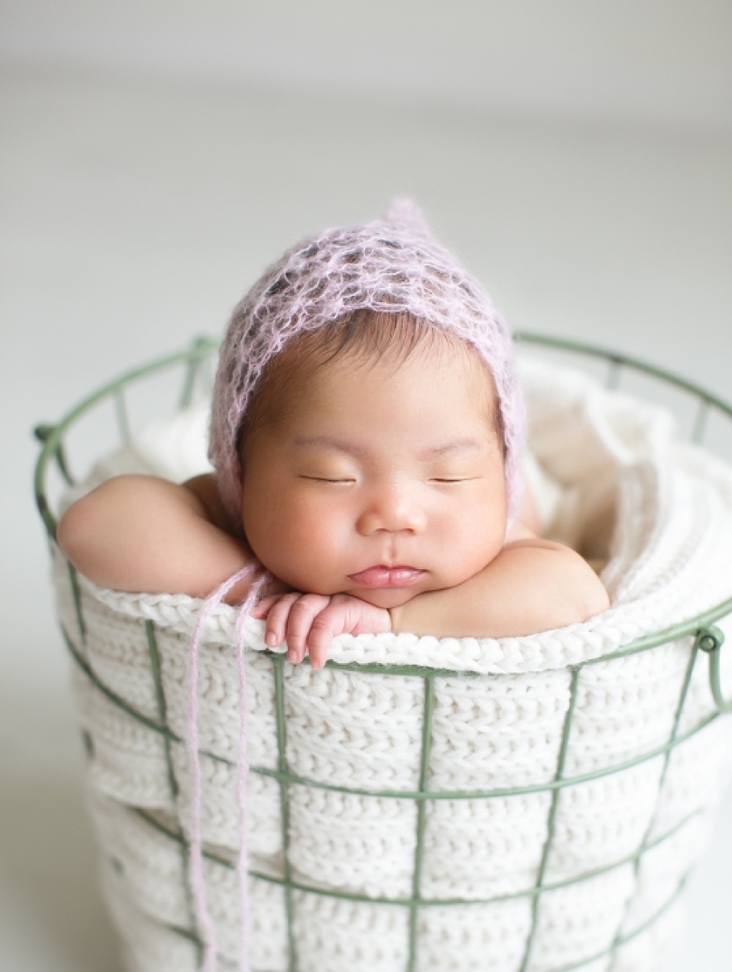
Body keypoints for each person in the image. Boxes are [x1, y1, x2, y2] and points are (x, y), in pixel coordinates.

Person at [57, 201, 609, 668]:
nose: (395, 515)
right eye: (333, 477)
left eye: (448, 474)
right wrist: (263, 588)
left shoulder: (493, 539)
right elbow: (93, 526)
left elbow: (575, 593)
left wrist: (392, 620)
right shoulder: (238, 518)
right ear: (241, 472)